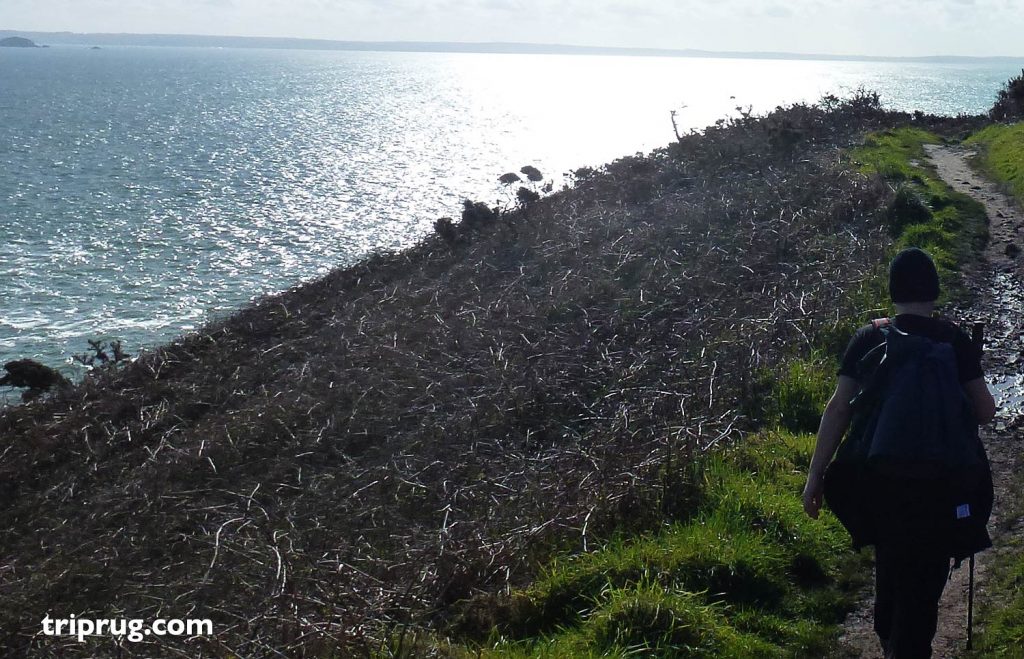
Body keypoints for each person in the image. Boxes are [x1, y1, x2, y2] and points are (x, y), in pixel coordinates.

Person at [802, 247, 996, 659]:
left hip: (882, 482)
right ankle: (909, 644)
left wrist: (816, 476)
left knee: (891, 563)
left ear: (893, 290)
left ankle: (891, 638)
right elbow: (985, 411)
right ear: (934, 292)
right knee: (926, 577)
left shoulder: (871, 337)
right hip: (941, 485)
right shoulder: (953, 340)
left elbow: (838, 409)